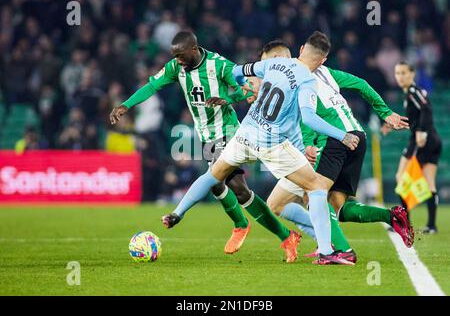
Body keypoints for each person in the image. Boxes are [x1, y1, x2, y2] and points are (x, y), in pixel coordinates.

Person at [162, 31, 363, 265]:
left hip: (245, 133)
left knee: (213, 174)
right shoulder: (307, 80)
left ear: (300, 51)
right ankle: (327, 252)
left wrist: (246, 89)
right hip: (270, 143)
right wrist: (343, 135)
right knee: (317, 186)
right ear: (321, 61)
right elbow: (308, 118)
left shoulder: (274, 64)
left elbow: (237, 72)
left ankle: (177, 212)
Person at [110, 31, 293, 256]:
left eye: (180, 55)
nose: (177, 60)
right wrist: (126, 105)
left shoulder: (219, 65)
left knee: (219, 180)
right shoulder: (176, 68)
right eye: (174, 56)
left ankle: (238, 225)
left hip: (228, 132)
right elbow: (151, 86)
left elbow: (247, 90)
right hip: (207, 136)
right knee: (232, 190)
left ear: (194, 50)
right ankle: (284, 235)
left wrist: (228, 98)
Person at [254, 41, 413, 264]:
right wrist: (385, 113)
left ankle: (338, 249)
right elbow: (361, 84)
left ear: (299, 51)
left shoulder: (291, 75)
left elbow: (307, 116)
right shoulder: (326, 72)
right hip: (357, 136)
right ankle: (391, 216)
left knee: (314, 194)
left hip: (334, 140)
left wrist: (307, 144)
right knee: (336, 207)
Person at [387, 61, 442, 234]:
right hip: (433, 140)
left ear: (412, 74)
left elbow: (426, 109)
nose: (400, 76)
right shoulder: (411, 94)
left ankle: (404, 224)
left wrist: (420, 132)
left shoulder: (413, 92)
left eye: (404, 73)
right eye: (397, 73)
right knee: (429, 183)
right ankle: (432, 226)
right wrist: (396, 125)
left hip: (423, 141)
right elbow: (418, 116)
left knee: (401, 177)